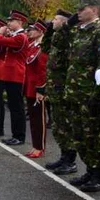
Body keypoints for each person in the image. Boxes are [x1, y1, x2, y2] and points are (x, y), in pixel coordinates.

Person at [65, 0, 100, 192]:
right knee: (79, 136)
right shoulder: (79, 31)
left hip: (90, 95)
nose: (78, 13)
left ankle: (99, 176)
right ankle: (90, 171)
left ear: (94, 10)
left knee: (93, 135)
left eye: (82, 9)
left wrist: (97, 94)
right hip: (75, 93)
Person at [41, 10, 78, 175]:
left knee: (65, 126)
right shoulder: (56, 37)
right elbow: (45, 46)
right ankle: (64, 156)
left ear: (64, 22)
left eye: (55, 20)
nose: (52, 22)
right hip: (54, 88)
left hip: (63, 88)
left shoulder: (67, 36)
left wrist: (65, 26)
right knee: (58, 126)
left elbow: (64, 40)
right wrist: (49, 29)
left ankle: (70, 160)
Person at [0, 10, 29, 146]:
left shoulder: (21, 37)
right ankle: (16, 134)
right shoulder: (16, 35)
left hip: (16, 74)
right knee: (13, 106)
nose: (8, 23)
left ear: (19, 22)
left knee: (17, 107)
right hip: (10, 74)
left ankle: (19, 136)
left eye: (11, 21)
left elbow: (0, 40)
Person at [24, 20, 48, 159]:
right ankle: (35, 145)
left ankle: (40, 147)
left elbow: (42, 71)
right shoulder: (32, 46)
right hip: (29, 86)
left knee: (39, 119)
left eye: (33, 29)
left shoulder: (42, 47)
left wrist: (41, 89)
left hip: (37, 88)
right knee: (33, 119)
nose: (29, 31)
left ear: (40, 31)